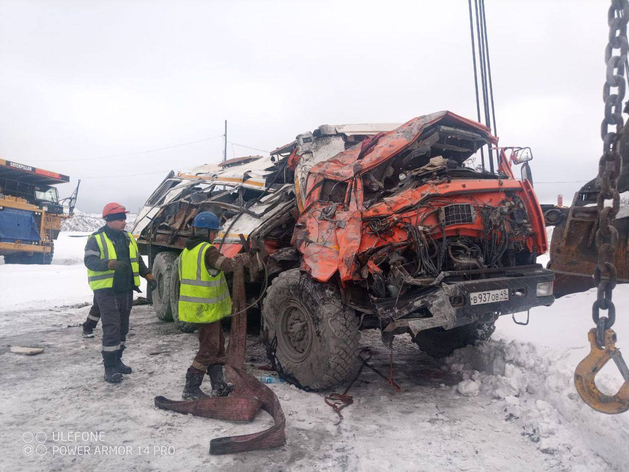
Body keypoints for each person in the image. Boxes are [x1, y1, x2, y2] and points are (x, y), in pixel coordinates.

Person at [179, 211, 251, 400]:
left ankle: (218, 385)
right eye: (214, 233)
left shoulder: (188, 250)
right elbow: (226, 265)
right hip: (205, 309)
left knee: (217, 346)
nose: (216, 236)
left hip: (199, 308)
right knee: (209, 348)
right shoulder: (206, 250)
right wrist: (243, 258)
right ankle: (191, 388)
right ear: (207, 232)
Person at [84, 202, 157, 383]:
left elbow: (137, 259)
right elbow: (89, 261)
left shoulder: (128, 238)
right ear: (109, 220)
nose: (124, 222)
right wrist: (110, 264)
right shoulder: (97, 238)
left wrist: (147, 274)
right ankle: (109, 367)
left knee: (123, 327)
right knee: (112, 327)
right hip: (106, 290)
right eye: (120, 219)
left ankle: (117, 361)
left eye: (124, 218)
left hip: (125, 289)